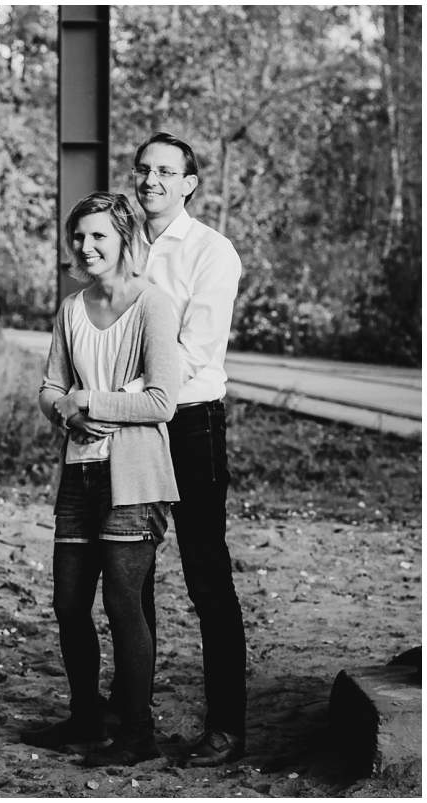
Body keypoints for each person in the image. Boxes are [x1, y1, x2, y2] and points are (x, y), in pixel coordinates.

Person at [25, 192, 180, 767]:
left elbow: (163, 401)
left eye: (99, 238)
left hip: (136, 477)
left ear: (123, 241)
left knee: (122, 604)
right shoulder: (72, 308)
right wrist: (67, 409)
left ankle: (137, 734)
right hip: (80, 477)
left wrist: (86, 399)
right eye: (79, 238)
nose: (87, 248)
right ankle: (85, 718)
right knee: (69, 603)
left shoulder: (152, 306)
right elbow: (48, 388)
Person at [130, 131, 247, 766]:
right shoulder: (123, 245)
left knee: (206, 576)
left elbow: (197, 354)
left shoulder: (210, 251)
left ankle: (226, 728)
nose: (152, 180)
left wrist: (128, 389)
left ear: (189, 183)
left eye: (166, 172)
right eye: (144, 169)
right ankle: (133, 722)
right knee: (131, 574)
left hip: (190, 421)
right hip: (132, 425)